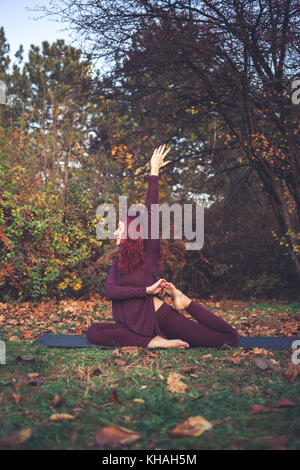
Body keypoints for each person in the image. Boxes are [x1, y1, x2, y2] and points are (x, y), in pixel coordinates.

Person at [87, 144, 239, 349]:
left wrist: (154, 171)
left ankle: (184, 302)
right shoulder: (118, 262)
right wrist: (146, 290)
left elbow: (151, 210)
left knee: (229, 339)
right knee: (93, 331)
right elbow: (110, 292)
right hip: (132, 327)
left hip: (159, 317)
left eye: (120, 228)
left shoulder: (149, 253)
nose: (114, 232)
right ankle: (152, 342)